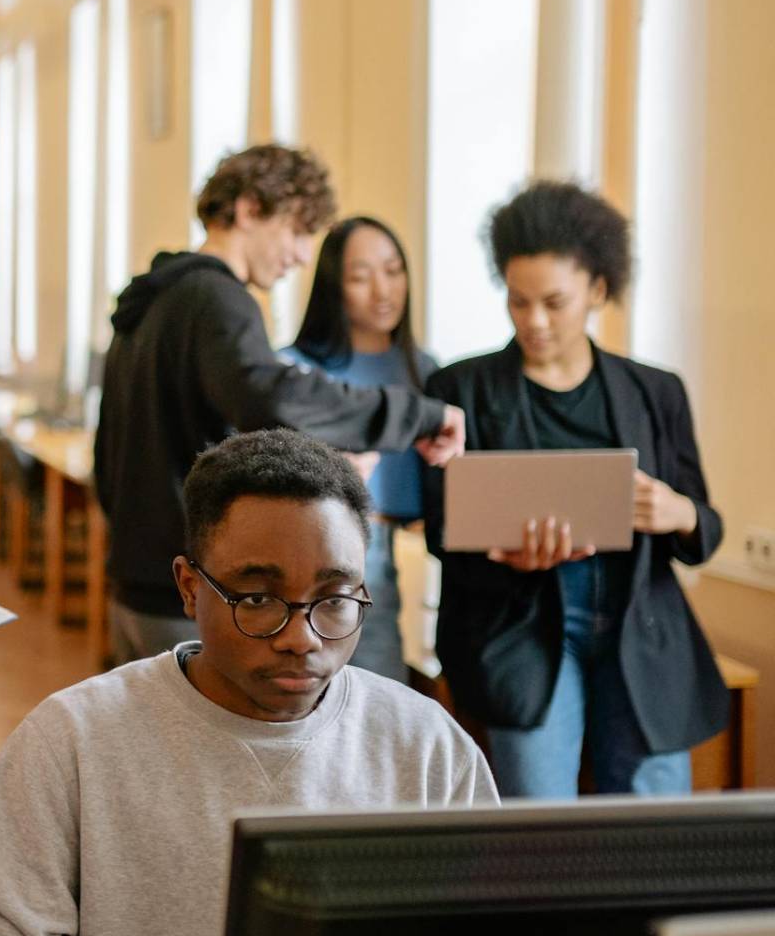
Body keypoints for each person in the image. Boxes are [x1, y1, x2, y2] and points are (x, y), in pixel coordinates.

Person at [0, 429, 497, 936]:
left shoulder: (426, 748)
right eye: (258, 599)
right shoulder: (76, 739)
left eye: (333, 600)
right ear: (189, 587)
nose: (302, 638)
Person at [94, 144, 465, 665]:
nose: (302, 254)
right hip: (189, 595)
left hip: (135, 585)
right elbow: (275, 396)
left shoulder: (151, 303)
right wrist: (418, 415)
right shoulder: (217, 298)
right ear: (249, 209)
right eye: (296, 230)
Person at [424, 182, 726, 798]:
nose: (534, 321)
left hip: (639, 628)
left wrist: (679, 511)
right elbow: (440, 529)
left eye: (554, 303)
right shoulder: (460, 388)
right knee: (537, 816)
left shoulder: (656, 391)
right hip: (522, 629)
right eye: (518, 301)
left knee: (653, 821)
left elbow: (705, 530)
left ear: (598, 290)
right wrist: (505, 556)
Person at [281, 215, 438, 683]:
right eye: (360, 277)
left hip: (394, 552)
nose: (382, 290)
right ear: (333, 287)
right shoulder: (295, 371)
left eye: (393, 270)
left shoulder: (424, 370)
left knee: (380, 695)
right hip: (314, 551)